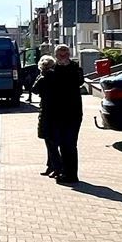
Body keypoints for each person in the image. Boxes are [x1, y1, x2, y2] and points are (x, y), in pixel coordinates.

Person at [35, 43, 83, 185]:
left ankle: (71, 175)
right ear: (55, 56)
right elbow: (39, 89)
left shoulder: (75, 68)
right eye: (60, 54)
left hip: (73, 113)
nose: (63, 57)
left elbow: (78, 81)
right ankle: (64, 172)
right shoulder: (51, 70)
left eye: (66, 53)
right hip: (57, 114)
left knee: (70, 144)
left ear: (69, 54)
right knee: (62, 144)